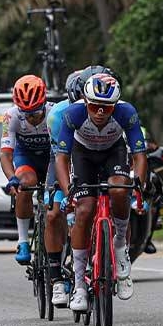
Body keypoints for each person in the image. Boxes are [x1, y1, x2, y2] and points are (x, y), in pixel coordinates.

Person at [54, 73, 148, 311]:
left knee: (119, 189)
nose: (100, 112)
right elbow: (62, 158)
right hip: (83, 155)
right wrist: (68, 192)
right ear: (85, 102)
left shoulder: (126, 113)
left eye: (107, 108)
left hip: (112, 153)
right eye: (95, 106)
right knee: (84, 210)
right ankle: (79, 286)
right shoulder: (73, 114)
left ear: (115, 106)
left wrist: (138, 184)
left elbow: (139, 155)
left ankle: (119, 248)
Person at [1, 75, 71, 306]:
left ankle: (60, 257)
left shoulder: (54, 113)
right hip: (27, 159)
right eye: (26, 113)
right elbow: (6, 154)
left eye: (36, 112)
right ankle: (23, 240)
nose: (31, 118)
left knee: (56, 206)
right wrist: (11, 178)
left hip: (52, 159)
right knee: (24, 184)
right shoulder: (11, 116)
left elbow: (62, 154)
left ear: (44, 103)